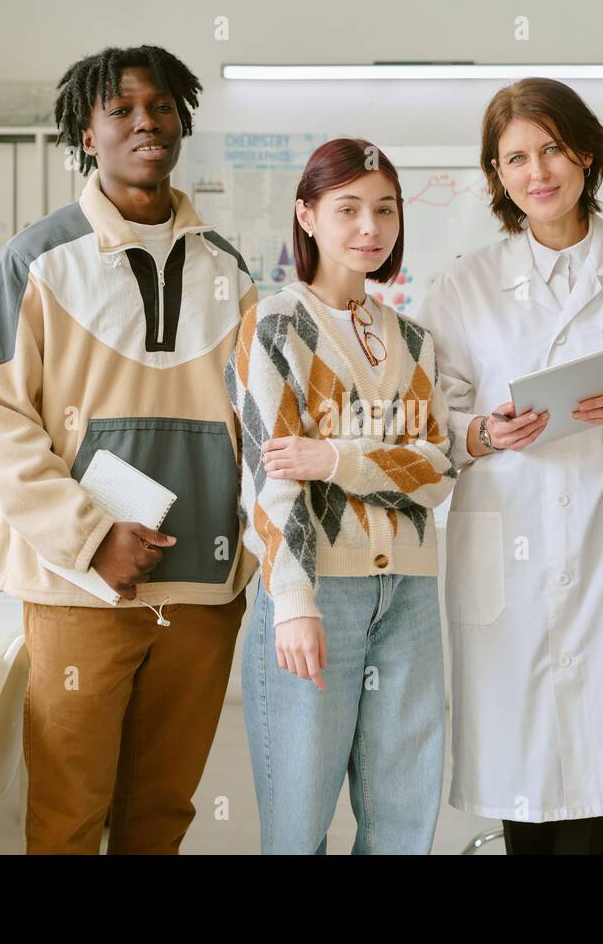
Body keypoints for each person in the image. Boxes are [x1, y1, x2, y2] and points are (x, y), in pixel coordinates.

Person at [0, 44, 258, 854]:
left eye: (160, 106)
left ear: (182, 119)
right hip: (78, 589)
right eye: (121, 109)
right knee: (67, 816)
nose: (145, 123)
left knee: (159, 817)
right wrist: (91, 538)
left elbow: (263, 426)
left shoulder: (228, 270)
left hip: (201, 591)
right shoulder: (36, 259)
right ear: (86, 135)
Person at [413, 78, 603, 855]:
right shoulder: (465, 285)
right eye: (514, 159)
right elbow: (435, 419)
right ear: (497, 176)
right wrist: (486, 430)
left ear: (586, 153)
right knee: (525, 778)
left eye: (551, 150)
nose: (537, 172)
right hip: (510, 550)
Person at [227, 137, 457, 854]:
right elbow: (272, 482)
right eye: (348, 207)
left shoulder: (415, 341)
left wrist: (333, 456)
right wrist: (293, 606)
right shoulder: (275, 326)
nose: (371, 227)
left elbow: (439, 469)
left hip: (411, 598)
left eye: (385, 210)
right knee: (298, 828)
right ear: (307, 215)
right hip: (316, 592)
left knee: (403, 821)